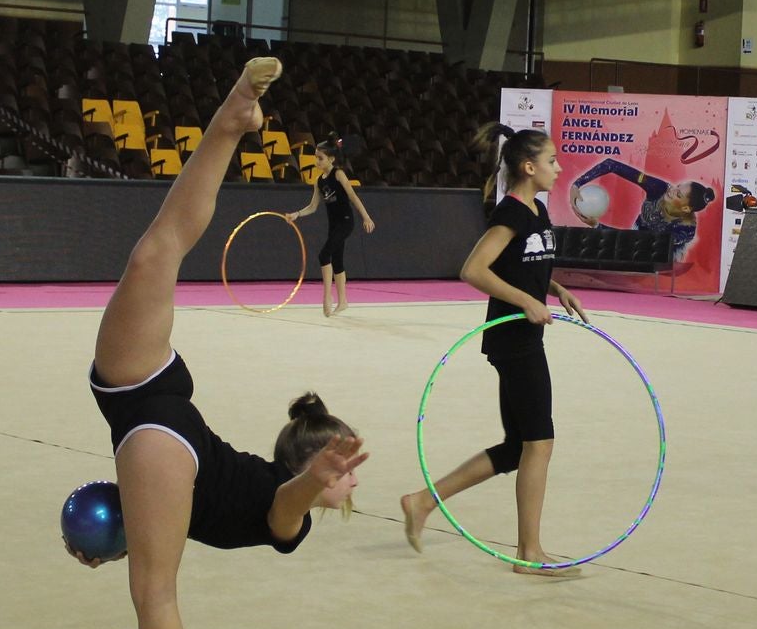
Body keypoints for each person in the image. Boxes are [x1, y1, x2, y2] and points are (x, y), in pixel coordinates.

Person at [66, 58, 369, 629]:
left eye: (346, 471)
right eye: (343, 465)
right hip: (162, 404)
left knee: (155, 592)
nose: (349, 476)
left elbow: (289, 501)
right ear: (311, 459)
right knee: (155, 252)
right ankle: (232, 119)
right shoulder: (280, 491)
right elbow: (292, 491)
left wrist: (311, 481)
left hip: (163, 439)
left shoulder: (284, 511)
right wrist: (315, 476)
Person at [399, 124, 588, 576]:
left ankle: (422, 501)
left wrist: (554, 288)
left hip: (523, 338)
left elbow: (525, 264)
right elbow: (474, 269)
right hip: (514, 341)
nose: (559, 169)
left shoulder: (536, 211)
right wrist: (525, 301)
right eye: (553, 161)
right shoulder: (512, 213)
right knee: (539, 443)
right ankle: (529, 552)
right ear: (528, 166)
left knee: (517, 447)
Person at [286, 134, 375, 316]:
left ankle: (327, 297)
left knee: (324, 255)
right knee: (337, 260)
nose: (317, 161)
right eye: (316, 157)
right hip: (333, 225)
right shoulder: (319, 182)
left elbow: (353, 196)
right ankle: (343, 302)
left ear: (331, 159)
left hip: (345, 222)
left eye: (321, 158)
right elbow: (312, 207)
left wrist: (366, 217)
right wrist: (297, 214)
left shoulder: (339, 174)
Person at [569, 159, 716, 260]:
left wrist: (597, 225)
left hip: (659, 251)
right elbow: (611, 164)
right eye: (677, 186)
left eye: (678, 193)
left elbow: (640, 244)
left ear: (685, 208)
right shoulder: (659, 188)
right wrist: (576, 184)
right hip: (639, 231)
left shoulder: (685, 229)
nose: (672, 190)